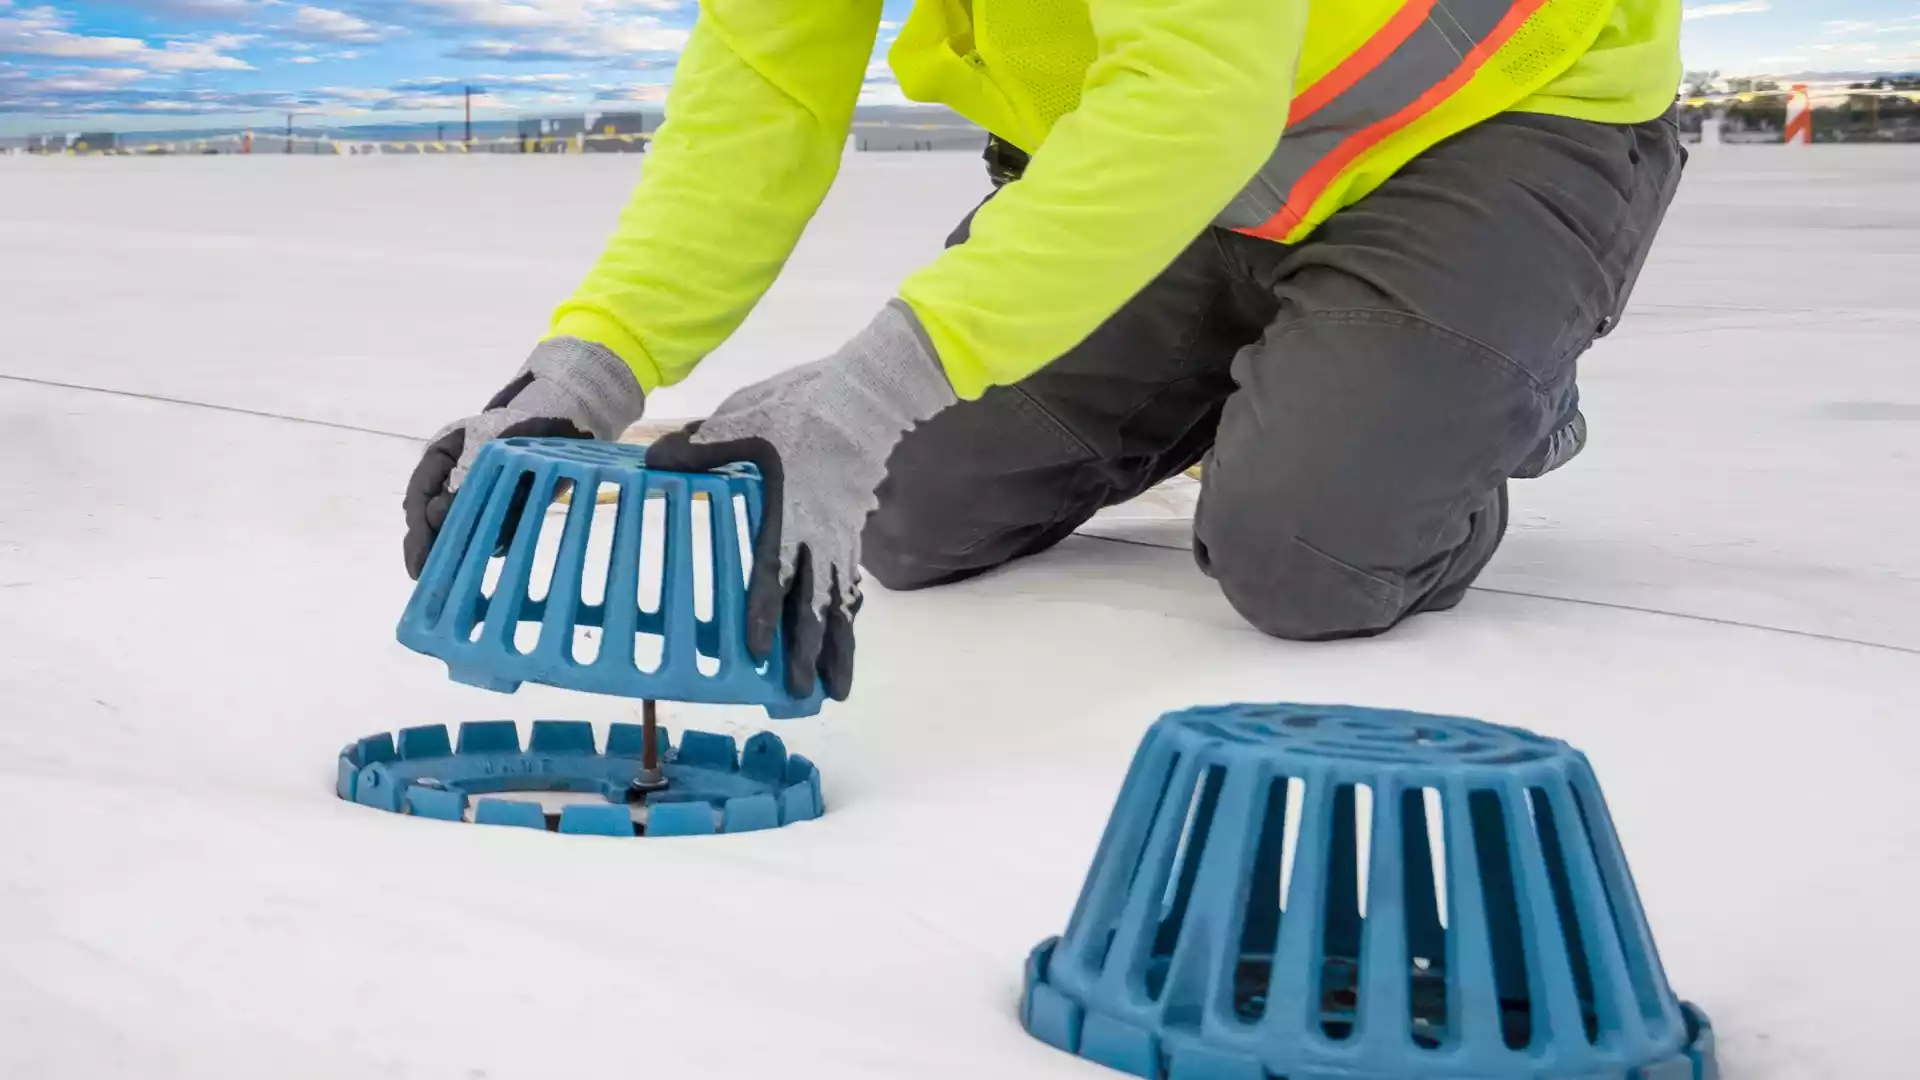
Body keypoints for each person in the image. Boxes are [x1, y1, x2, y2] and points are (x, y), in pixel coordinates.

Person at [403, 0, 1687, 703]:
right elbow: (762, 102)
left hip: (1478, 124)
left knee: (1306, 557)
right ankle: (1291, 375)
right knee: (904, 511)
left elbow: (1195, 88)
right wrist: (589, 366)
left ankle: (1488, 390)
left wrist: (870, 387)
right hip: (1185, 178)